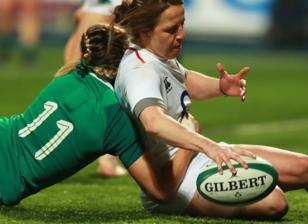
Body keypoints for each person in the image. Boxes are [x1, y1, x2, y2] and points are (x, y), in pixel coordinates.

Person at [112, 0, 308, 220]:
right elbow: (153, 122)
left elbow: (183, 79)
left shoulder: (156, 55)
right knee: (275, 203)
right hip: (175, 184)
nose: (182, 35)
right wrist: (210, 147)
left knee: (307, 167)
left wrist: (220, 87)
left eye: (183, 24)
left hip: (197, 157)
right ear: (145, 31)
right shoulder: (139, 69)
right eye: (172, 29)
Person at [0, 24, 195, 206]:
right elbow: (161, 192)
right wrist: (189, 136)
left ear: (87, 54)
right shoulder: (115, 118)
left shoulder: (71, 74)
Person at [63, 0, 128, 176]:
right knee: (106, 73)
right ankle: (108, 156)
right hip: (105, 9)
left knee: (74, 71)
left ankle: (51, 139)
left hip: (96, 9)